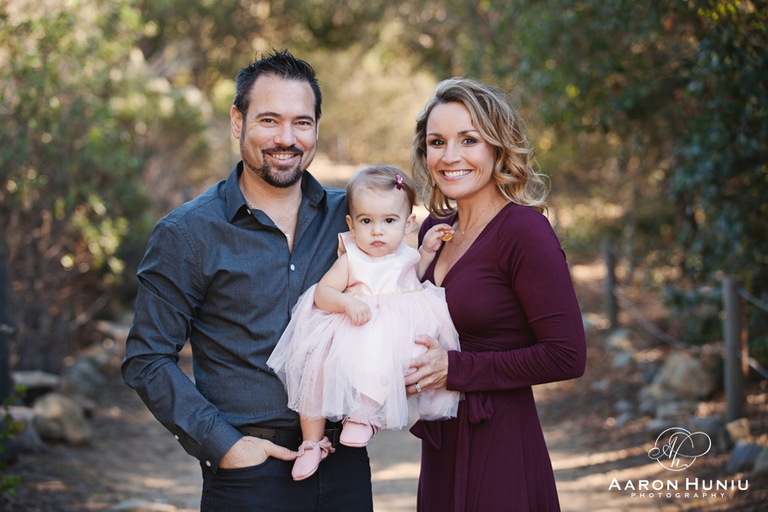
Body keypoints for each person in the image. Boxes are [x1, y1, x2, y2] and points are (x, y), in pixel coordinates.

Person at [121, 49, 374, 512]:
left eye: (301, 122)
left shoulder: (352, 217)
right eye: (269, 120)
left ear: (317, 126)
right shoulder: (188, 233)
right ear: (238, 122)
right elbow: (147, 358)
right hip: (248, 475)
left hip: (344, 461)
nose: (286, 138)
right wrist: (226, 446)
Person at [404, 77, 587, 512]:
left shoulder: (524, 232)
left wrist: (457, 369)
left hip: (500, 443)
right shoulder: (434, 230)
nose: (450, 157)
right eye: (437, 141)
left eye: (469, 140)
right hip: (441, 439)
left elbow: (567, 355)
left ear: (498, 148)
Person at [267, 165, 461, 481]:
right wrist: (346, 301)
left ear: (408, 223)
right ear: (351, 224)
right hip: (353, 327)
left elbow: (416, 278)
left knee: (393, 361)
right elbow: (323, 293)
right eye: (366, 221)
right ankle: (312, 442)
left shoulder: (406, 255)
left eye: (389, 221)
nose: (377, 231)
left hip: (393, 334)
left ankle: (366, 414)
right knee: (315, 370)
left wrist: (426, 251)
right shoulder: (352, 257)